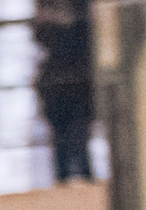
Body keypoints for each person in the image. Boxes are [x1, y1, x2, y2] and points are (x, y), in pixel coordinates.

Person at [32, 0, 97, 184]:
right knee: (62, 136)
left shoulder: (81, 8)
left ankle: (80, 176)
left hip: (78, 81)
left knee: (79, 134)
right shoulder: (46, 6)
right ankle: (65, 178)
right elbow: (41, 36)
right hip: (59, 82)